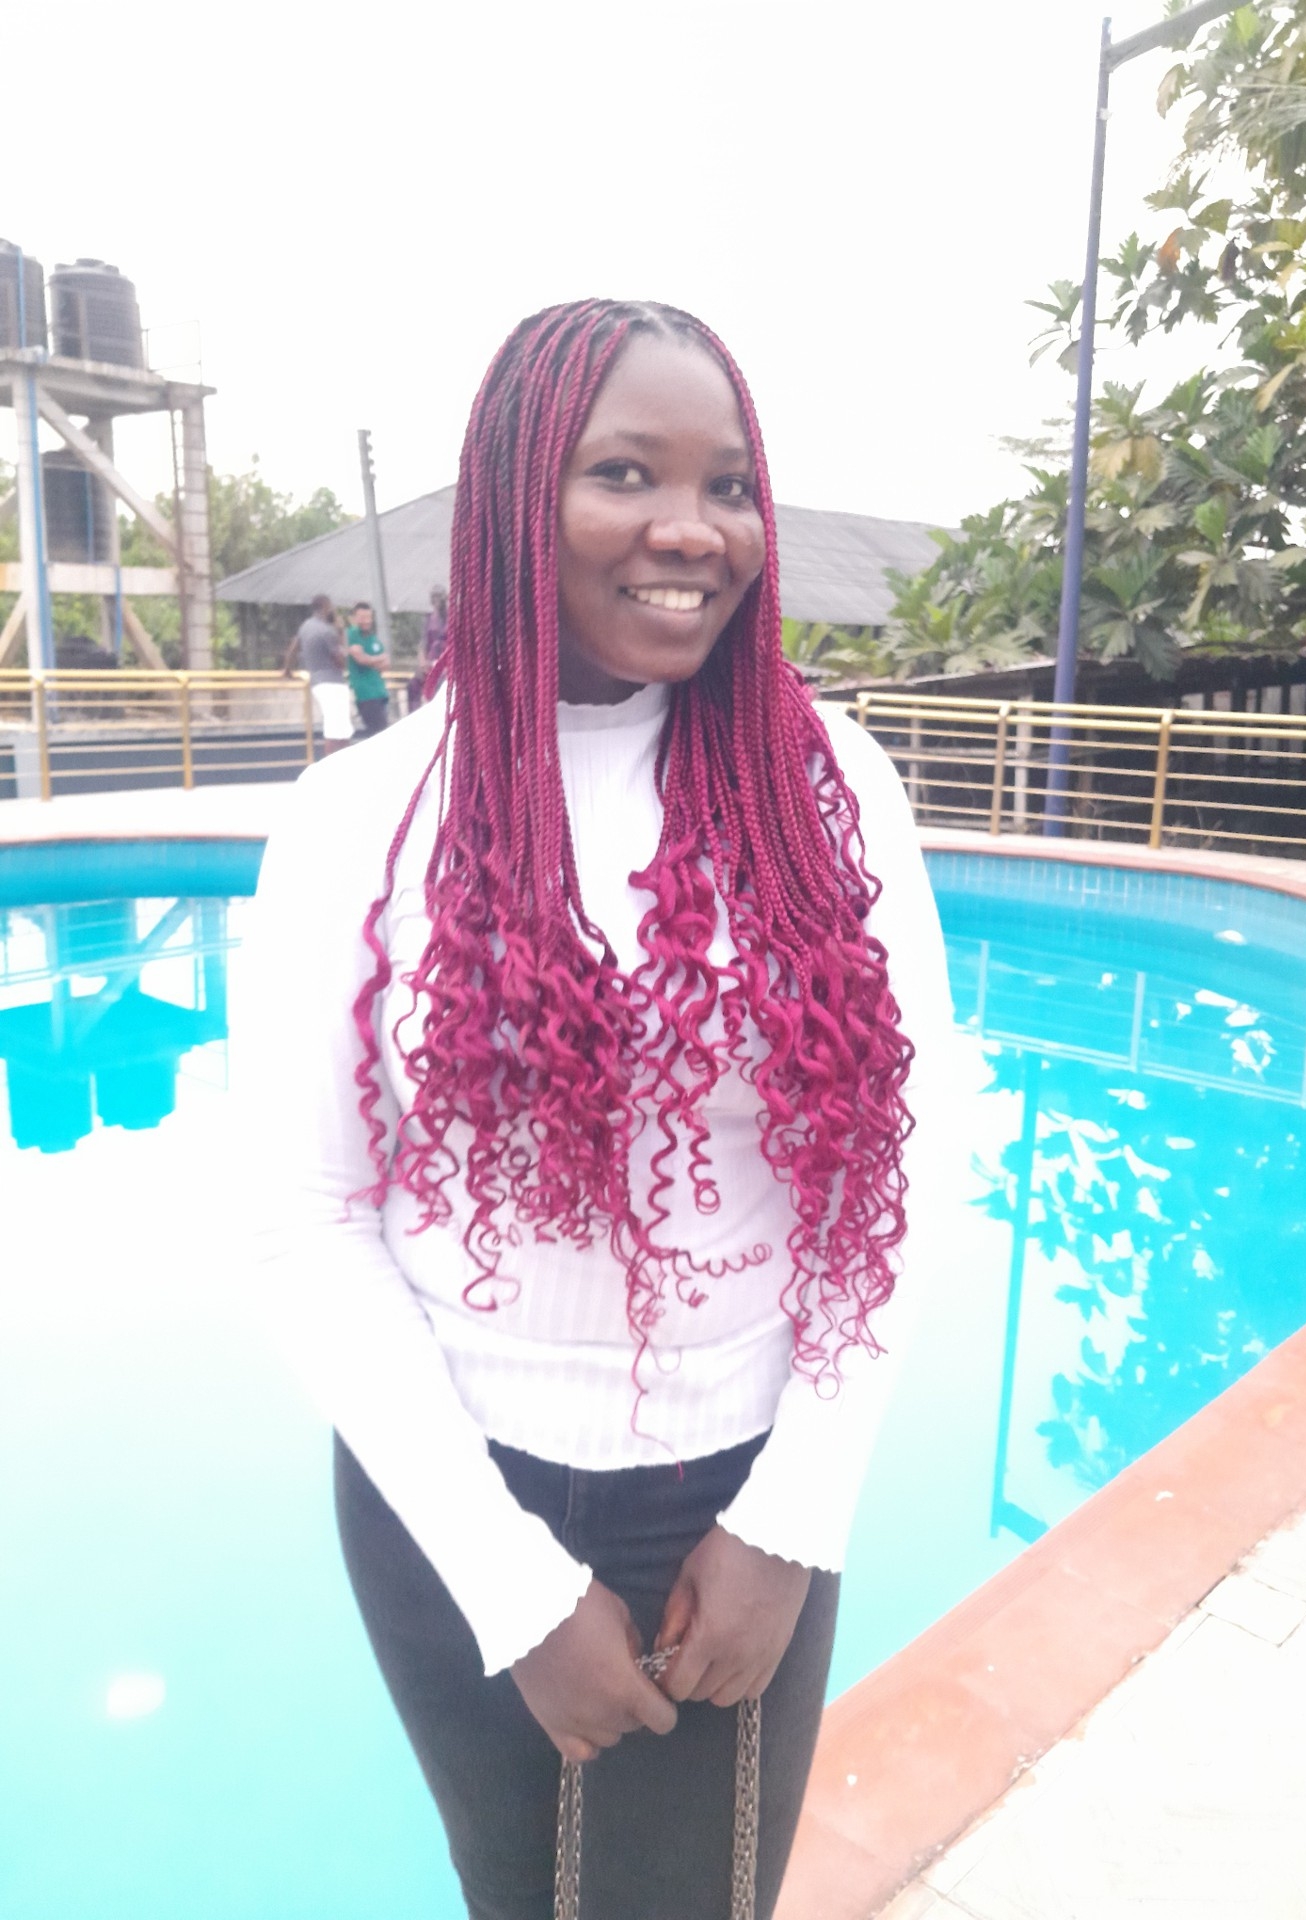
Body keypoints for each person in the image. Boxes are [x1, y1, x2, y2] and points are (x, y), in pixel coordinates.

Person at [238, 300, 955, 1920]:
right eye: (627, 472)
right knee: (513, 1895)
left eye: (729, 486)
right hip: (451, 1492)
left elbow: (899, 1176)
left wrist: (792, 1519)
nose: (692, 530)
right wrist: (510, 1584)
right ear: (514, 495)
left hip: (741, 1490)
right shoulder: (358, 818)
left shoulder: (831, 788)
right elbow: (306, 1223)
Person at [282, 594, 352, 754]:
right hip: (333, 682)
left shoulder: (305, 626)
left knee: (334, 726)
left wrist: (287, 669)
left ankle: (338, 761)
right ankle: (335, 763)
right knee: (339, 730)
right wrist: (341, 634)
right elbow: (341, 661)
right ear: (326, 607)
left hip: (316, 681)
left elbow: (293, 648)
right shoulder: (328, 631)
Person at [345, 600, 391, 735]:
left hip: (380, 692)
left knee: (383, 731)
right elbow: (360, 659)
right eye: (362, 617)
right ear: (354, 618)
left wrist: (371, 660)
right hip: (365, 694)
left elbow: (386, 664)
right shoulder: (351, 634)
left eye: (368, 617)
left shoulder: (373, 638)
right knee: (378, 734)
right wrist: (378, 659)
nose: (366, 621)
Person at [408, 584, 448, 709]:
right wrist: (422, 662)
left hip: (445, 663)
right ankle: (414, 712)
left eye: (439, 597)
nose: (437, 600)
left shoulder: (453, 617)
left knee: (440, 684)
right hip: (430, 662)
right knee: (413, 684)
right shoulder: (429, 619)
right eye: (434, 597)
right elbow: (423, 643)